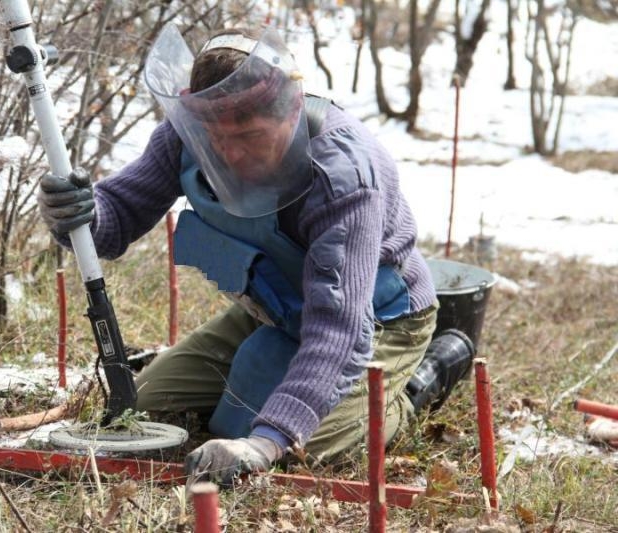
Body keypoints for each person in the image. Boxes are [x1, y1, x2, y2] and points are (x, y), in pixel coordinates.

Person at [38, 23, 474, 486]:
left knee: (299, 450)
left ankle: (416, 387)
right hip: (277, 303)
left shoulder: (342, 175)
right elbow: (118, 215)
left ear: (292, 109)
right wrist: (79, 213)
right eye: (216, 137)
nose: (229, 154)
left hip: (377, 317)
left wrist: (266, 441)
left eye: (250, 135)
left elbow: (339, 329)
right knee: (143, 406)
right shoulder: (190, 132)